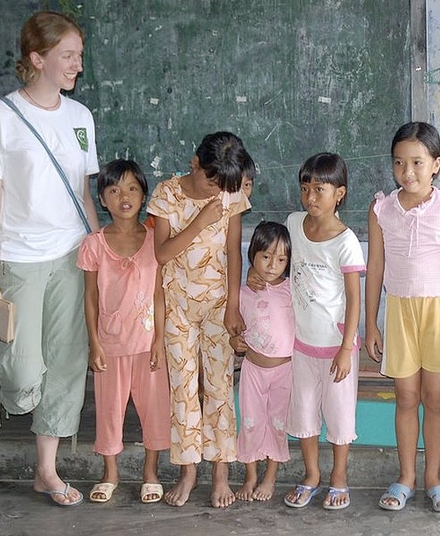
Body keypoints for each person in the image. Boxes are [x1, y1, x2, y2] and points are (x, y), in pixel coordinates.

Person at [0, 11, 98, 506]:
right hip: (17, 259)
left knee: (66, 363)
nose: (76, 66)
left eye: (79, 56)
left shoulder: (80, 118)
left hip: (71, 254)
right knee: (23, 372)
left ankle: (47, 470)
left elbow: (83, 194)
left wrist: (98, 251)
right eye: (67, 56)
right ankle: (23, 403)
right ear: (37, 58)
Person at [365, 122, 440, 512]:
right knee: (406, 396)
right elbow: (375, 267)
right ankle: (406, 477)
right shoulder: (381, 208)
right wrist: (371, 322)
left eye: (416, 162)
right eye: (399, 163)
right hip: (400, 311)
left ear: (436, 165)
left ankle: (434, 478)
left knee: (435, 398)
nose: (407, 172)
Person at [147, 131, 254, 508]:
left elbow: (233, 252)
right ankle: (188, 469)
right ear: (195, 163)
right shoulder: (166, 194)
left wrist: (233, 304)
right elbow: (161, 255)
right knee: (184, 388)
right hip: (177, 306)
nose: (216, 192)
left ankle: (221, 472)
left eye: (223, 186)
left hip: (217, 305)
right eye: (211, 181)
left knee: (221, 386)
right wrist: (200, 220)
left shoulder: (230, 194)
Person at [251, 153, 364, 511]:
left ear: (340, 193)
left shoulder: (345, 241)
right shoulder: (294, 222)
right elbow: (280, 267)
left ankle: (339, 477)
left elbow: (353, 299)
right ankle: (312, 475)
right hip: (302, 346)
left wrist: (347, 348)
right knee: (303, 415)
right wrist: (255, 277)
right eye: (305, 188)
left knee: (340, 416)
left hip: (336, 348)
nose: (310, 197)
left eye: (320, 189)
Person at [76, 160, 171, 504]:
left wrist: (160, 339)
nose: (123, 196)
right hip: (111, 344)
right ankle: (110, 473)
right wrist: (94, 343)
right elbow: (90, 296)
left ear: (144, 195)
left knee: (155, 409)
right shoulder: (94, 244)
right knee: (110, 410)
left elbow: (160, 293)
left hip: (148, 344)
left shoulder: (155, 241)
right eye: (114, 190)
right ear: (102, 199)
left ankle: (151, 473)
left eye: (132, 188)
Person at [230, 221, 294, 502]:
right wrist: (235, 342)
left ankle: (270, 477)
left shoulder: (293, 290)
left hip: (285, 371)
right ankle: (251, 476)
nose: (272, 265)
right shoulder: (243, 293)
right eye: (265, 257)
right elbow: (234, 330)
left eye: (281, 259)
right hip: (253, 370)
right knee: (252, 423)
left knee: (278, 423)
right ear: (253, 255)